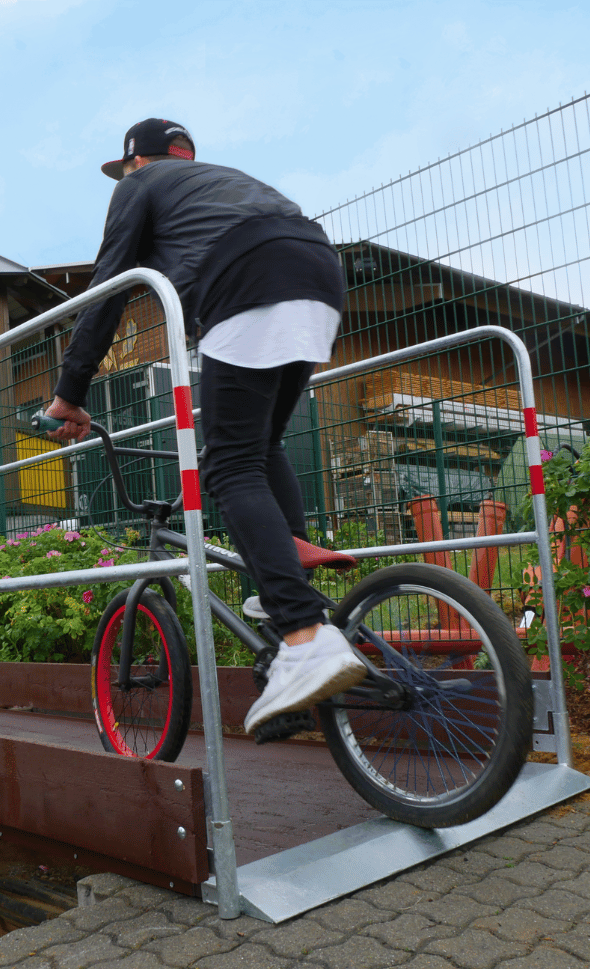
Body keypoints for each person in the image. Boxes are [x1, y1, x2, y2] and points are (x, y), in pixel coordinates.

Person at [44, 118, 364, 737]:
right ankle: (286, 594)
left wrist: (69, 394)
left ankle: (303, 633)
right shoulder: (223, 183)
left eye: (124, 168)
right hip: (319, 271)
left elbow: (111, 286)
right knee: (258, 445)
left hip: (248, 281)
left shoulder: (142, 184)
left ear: (135, 162)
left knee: (227, 465)